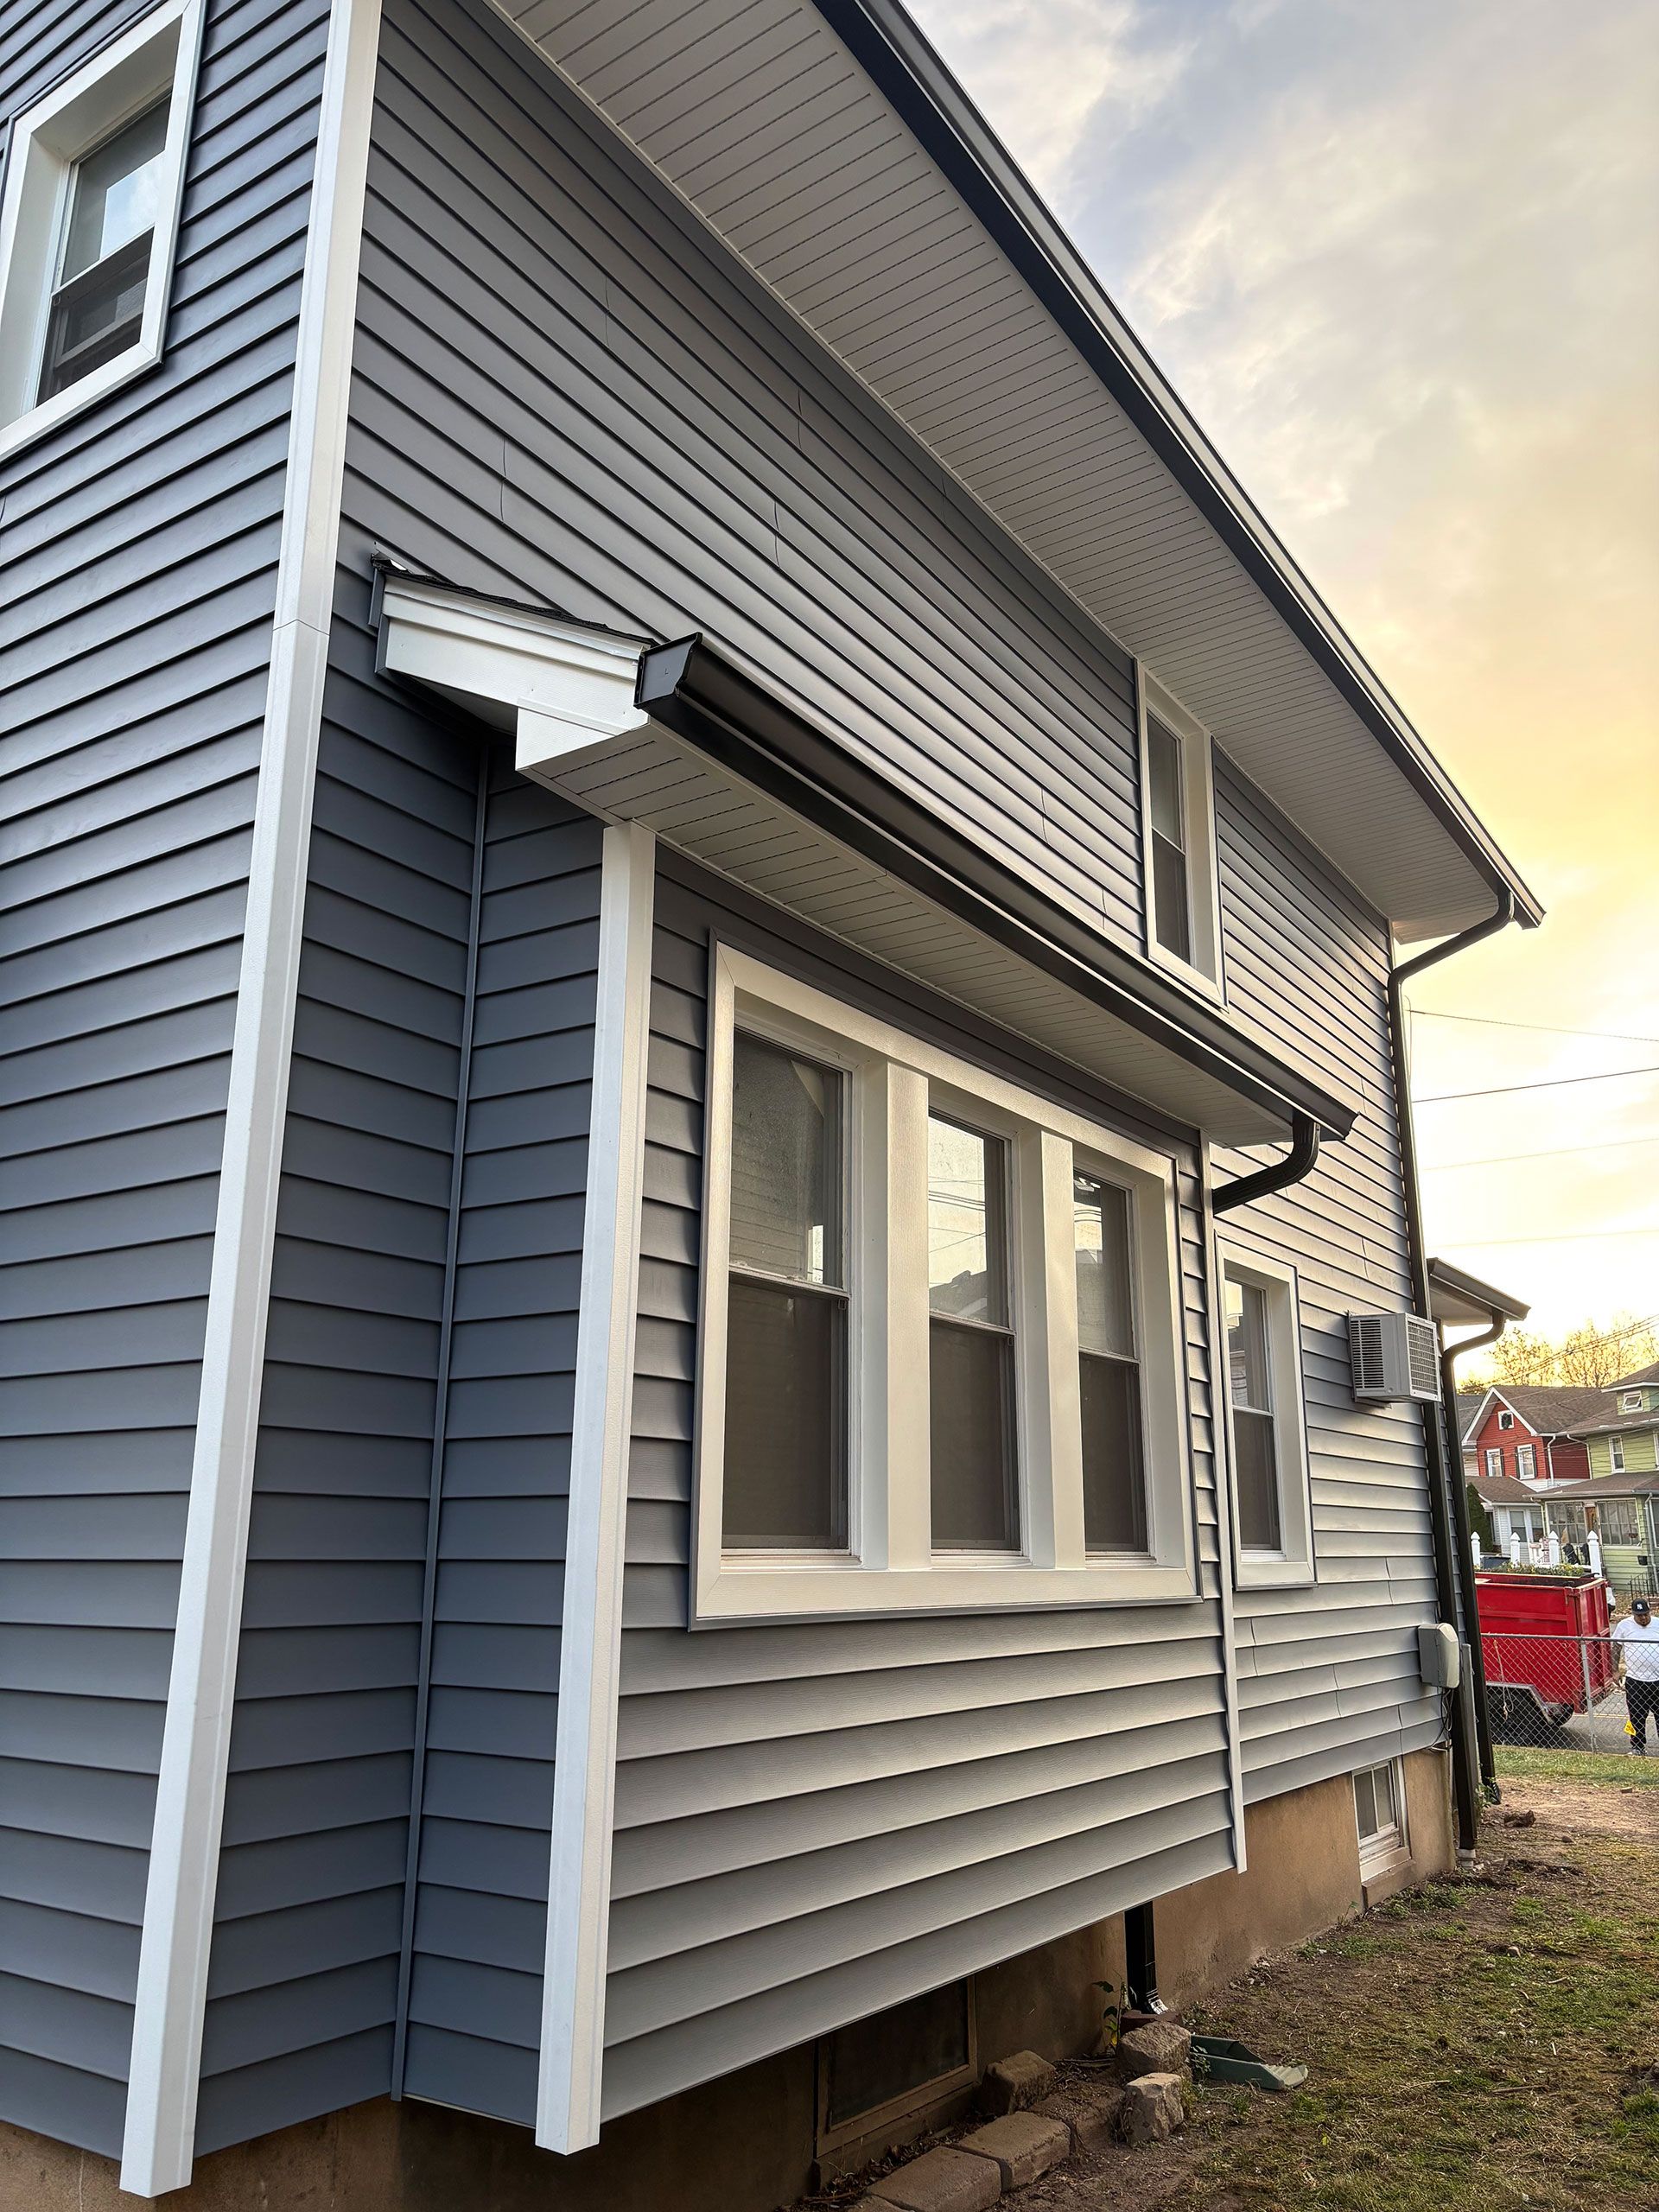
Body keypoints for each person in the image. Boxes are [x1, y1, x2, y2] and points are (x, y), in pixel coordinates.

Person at [1612, 1596, 1659, 1755]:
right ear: (1633, 1614)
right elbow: (1616, 1648)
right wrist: (1615, 1670)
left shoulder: (1658, 1624)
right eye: (1639, 1615)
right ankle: (1637, 1746)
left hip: (1657, 1679)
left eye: (1646, 1614)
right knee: (1637, 1716)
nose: (1643, 1618)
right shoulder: (1624, 1626)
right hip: (1635, 1680)